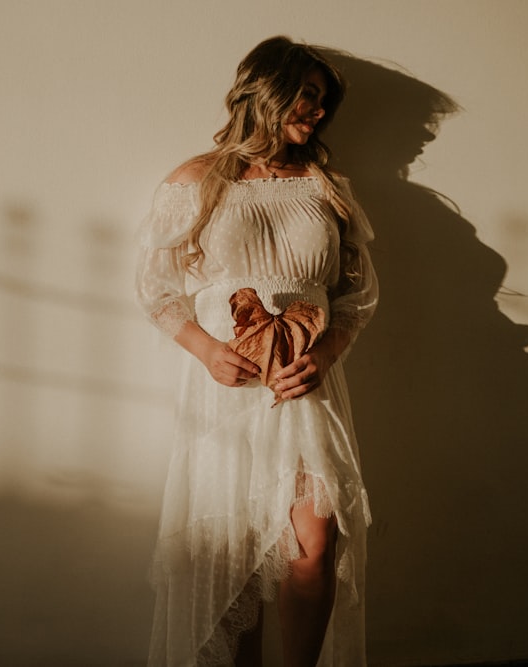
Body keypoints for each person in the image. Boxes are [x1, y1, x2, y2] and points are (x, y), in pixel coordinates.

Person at [134, 36, 378, 667]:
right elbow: (156, 289)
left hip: (303, 382)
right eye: (307, 95)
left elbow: (356, 295)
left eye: (323, 101)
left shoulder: (327, 186)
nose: (317, 111)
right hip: (228, 389)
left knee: (313, 546)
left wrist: (327, 354)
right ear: (264, 92)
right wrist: (204, 348)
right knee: (235, 559)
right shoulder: (196, 180)